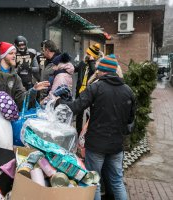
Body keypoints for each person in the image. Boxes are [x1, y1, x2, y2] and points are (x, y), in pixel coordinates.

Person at [57, 54, 136, 200]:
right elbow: (130, 120)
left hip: (96, 145)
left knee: (93, 182)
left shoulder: (96, 87)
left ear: (104, 71)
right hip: (116, 145)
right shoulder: (128, 91)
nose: (97, 71)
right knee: (117, 181)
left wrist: (59, 101)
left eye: (99, 70)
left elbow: (76, 107)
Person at [74, 43, 101, 134]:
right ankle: (78, 132)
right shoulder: (83, 63)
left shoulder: (96, 64)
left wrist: (92, 62)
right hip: (80, 90)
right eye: (87, 53)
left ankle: (87, 131)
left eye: (89, 54)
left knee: (90, 113)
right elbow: (75, 69)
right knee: (79, 113)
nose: (87, 55)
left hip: (90, 91)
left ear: (92, 56)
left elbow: (95, 72)